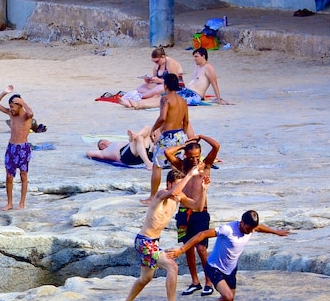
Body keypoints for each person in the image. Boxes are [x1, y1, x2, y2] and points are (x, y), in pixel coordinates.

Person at [168, 210, 290, 301]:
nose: (251, 232)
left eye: (252, 229)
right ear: (242, 222)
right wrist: (182, 250)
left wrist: (275, 232)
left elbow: (259, 228)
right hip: (215, 267)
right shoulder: (228, 229)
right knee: (228, 297)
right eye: (248, 229)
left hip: (231, 269)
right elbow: (202, 234)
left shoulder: (251, 228)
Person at [118, 166, 203, 301]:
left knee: (145, 278)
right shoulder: (161, 194)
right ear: (169, 184)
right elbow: (174, 192)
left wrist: (204, 189)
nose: (178, 187)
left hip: (153, 242)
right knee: (172, 267)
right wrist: (190, 174)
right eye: (176, 184)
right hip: (144, 241)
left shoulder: (178, 197)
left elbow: (198, 206)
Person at [163, 135, 220, 296]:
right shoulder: (183, 166)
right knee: (187, 248)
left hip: (201, 212)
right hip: (183, 213)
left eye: (197, 156)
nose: (195, 159)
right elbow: (167, 152)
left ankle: (209, 282)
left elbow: (216, 146)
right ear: (186, 156)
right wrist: (183, 146)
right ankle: (195, 281)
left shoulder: (205, 165)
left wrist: (201, 137)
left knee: (201, 249)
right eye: (191, 156)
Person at [141, 73, 196, 204]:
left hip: (168, 137)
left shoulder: (165, 99)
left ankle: (152, 197)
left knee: (157, 166)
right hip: (180, 135)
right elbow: (186, 122)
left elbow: (163, 118)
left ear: (165, 85)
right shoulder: (182, 101)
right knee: (175, 165)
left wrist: (153, 129)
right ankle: (178, 193)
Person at [121, 47, 231, 109]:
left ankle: (138, 105)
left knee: (165, 100)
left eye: (196, 56)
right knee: (161, 96)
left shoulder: (208, 68)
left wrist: (219, 99)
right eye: (194, 56)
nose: (194, 59)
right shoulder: (197, 67)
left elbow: (214, 83)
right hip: (186, 91)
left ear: (203, 56)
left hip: (193, 95)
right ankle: (135, 103)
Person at [0, 85, 34, 210]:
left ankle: (22, 203)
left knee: (23, 175)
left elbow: (31, 113)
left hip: (23, 148)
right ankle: (9, 203)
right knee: (9, 176)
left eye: (13, 106)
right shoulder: (11, 114)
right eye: (10, 106)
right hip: (11, 148)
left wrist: (23, 102)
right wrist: (4, 92)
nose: (11, 109)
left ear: (19, 105)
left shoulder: (26, 116)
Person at [119, 46, 184, 106]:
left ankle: (138, 98)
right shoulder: (157, 65)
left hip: (173, 87)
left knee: (157, 89)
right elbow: (155, 80)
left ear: (163, 57)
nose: (156, 63)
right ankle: (138, 97)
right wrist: (149, 80)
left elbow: (174, 81)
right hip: (162, 85)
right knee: (142, 87)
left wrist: (159, 81)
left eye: (157, 61)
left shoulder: (170, 63)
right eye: (154, 61)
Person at [85, 125, 153, 168]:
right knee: (139, 138)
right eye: (101, 144)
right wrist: (99, 152)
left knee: (147, 128)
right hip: (127, 157)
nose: (103, 143)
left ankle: (136, 135)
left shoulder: (116, 142)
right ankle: (148, 163)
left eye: (104, 141)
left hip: (140, 152)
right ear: (100, 149)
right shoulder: (103, 152)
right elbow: (88, 153)